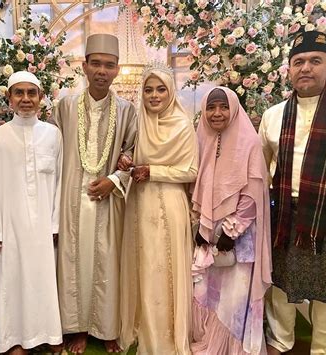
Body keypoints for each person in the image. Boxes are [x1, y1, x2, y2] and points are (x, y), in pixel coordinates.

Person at [259, 30, 326, 354]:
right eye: (298, 62)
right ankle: (280, 343)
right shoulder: (273, 116)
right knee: (282, 289)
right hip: (285, 215)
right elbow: (258, 171)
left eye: (315, 60)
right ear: (289, 69)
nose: (306, 68)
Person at [49, 33, 137, 354]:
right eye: (96, 64)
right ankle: (78, 328)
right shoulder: (65, 106)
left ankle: (108, 328)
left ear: (117, 70)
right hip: (70, 199)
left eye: (109, 65)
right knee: (73, 261)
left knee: (108, 262)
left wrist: (113, 180)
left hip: (108, 201)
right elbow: (47, 148)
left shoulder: (127, 110)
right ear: (84, 67)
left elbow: (133, 154)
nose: (102, 70)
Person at [118, 62, 198, 354]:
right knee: (143, 266)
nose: (154, 96)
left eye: (160, 89)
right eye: (148, 89)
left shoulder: (183, 124)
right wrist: (126, 162)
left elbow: (190, 170)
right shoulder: (139, 123)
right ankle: (142, 326)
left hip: (169, 203)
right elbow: (129, 155)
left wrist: (154, 172)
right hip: (139, 203)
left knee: (164, 269)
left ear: (170, 91)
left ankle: (166, 335)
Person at [0, 71, 63, 354]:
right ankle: (14, 340)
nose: (26, 99)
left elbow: (60, 182)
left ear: (41, 98)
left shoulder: (53, 135)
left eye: (32, 93)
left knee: (44, 280)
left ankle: (49, 336)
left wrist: (55, 223)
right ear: (9, 98)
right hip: (10, 225)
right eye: (20, 93)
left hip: (43, 227)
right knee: (11, 282)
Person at [191, 87, 272, 354]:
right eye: (211, 107)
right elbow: (196, 184)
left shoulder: (248, 142)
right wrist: (201, 226)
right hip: (209, 232)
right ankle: (211, 341)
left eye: (223, 107)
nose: (217, 113)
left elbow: (252, 193)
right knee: (210, 293)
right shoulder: (201, 138)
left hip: (238, 235)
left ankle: (233, 348)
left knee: (234, 299)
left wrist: (231, 230)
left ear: (234, 109)